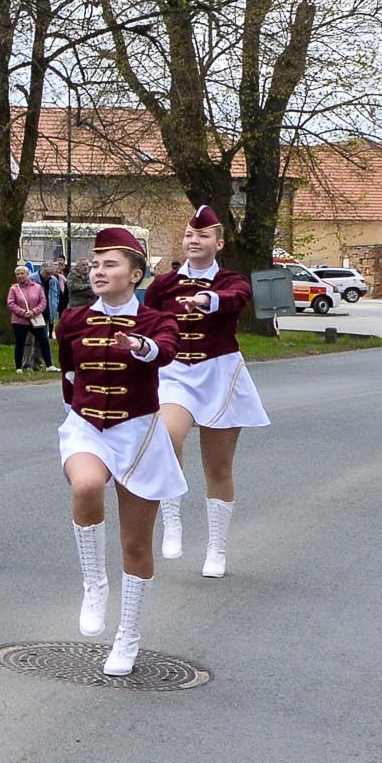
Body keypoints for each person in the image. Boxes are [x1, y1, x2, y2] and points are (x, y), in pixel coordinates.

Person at [55, 226, 183, 677]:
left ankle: (128, 637)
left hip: (139, 433)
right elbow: (69, 376)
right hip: (87, 426)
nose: (98, 271)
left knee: (135, 544)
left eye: (110, 264)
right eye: (95, 264)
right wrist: (80, 412)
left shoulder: (155, 320)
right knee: (87, 485)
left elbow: (166, 351)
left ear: (135, 274)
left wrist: (140, 347)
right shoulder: (72, 319)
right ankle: (94, 583)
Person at [144, 205, 268, 577]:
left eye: (202, 236)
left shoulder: (231, 280)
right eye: (188, 235)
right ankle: (173, 519)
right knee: (167, 436)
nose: (193, 241)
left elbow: (237, 299)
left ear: (219, 242)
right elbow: (147, 321)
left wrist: (207, 300)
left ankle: (216, 548)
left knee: (218, 468)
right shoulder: (164, 285)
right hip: (176, 372)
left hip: (219, 374)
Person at [5, 263, 49, 372]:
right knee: (20, 343)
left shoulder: (37, 287)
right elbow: (11, 303)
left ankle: (49, 365)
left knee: (43, 340)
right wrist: (23, 313)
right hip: (19, 321)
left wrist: (34, 312)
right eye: (18, 274)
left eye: (22, 273)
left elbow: (43, 302)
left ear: (27, 274)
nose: (20, 275)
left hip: (35, 319)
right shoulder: (14, 289)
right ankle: (19, 366)